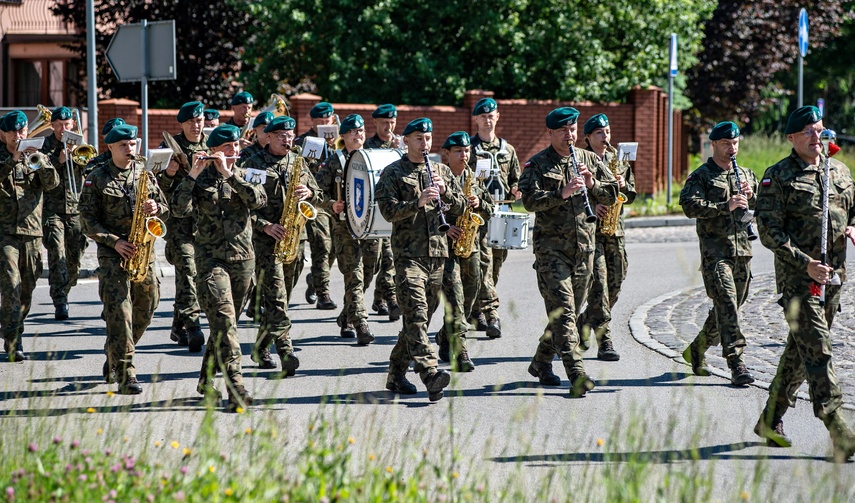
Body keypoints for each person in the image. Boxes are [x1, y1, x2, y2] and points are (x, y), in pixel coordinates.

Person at [753, 106, 855, 462]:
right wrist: (804, 263)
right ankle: (838, 428)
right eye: (809, 132)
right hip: (799, 281)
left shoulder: (838, 170)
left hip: (834, 278)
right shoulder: (778, 176)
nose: (817, 137)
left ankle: (770, 419)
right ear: (791, 139)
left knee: (802, 352)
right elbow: (768, 230)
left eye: (820, 130)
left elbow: (852, 207)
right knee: (820, 350)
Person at [518, 107, 617, 397]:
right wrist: (560, 194)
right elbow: (529, 200)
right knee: (564, 312)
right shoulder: (537, 164)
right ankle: (577, 373)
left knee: (566, 315)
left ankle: (541, 362)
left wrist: (592, 184)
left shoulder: (588, 159)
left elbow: (612, 192)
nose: (569, 135)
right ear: (550, 133)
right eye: (563, 130)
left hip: (584, 250)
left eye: (572, 129)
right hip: (552, 253)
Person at [171, 124, 267, 411]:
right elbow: (177, 208)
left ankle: (205, 379)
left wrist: (230, 174)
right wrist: (193, 174)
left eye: (236, 146)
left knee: (224, 326)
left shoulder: (246, 172)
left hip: (243, 260)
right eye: (227, 148)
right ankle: (236, 385)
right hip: (211, 261)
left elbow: (259, 200)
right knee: (225, 322)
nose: (234, 151)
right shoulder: (199, 177)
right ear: (213, 150)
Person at [375, 117, 463, 401]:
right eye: (418, 139)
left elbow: (460, 204)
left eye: (428, 139)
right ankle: (429, 373)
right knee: (416, 314)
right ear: (406, 141)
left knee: (417, 323)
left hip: (438, 255)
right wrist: (417, 202)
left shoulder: (441, 170)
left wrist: (446, 192)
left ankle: (396, 374)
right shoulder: (393, 172)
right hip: (408, 256)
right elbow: (388, 211)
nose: (425, 144)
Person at [78, 124, 168, 394]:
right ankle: (127, 372)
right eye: (123, 146)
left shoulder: (145, 174)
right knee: (120, 315)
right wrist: (114, 241)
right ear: (110, 148)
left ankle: (114, 354)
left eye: (132, 144)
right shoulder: (96, 178)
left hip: (144, 252)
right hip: (113, 256)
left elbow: (164, 207)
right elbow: (87, 221)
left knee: (148, 305)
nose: (130, 150)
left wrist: (156, 207)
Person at [679, 121, 757, 386]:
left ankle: (697, 349)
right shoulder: (702, 175)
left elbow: (762, 204)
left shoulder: (745, 173)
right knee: (726, 302)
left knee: (729, 307)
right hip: (716, 253)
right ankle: (736, 362)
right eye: (726, 143)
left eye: (735, 143)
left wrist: (752, 194)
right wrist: (725, 205)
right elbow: (689, 205)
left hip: (743, 251)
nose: (731, 148)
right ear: (713, 144)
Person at [244, 115, 319, 374]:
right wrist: (264, 224)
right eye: (282, 136)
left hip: (294, 238)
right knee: (276, 299)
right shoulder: (252, 164)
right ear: (269, 137)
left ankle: (260, 347)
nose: (288, 140)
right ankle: (286, 351)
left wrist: (309, 193)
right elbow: (242, 206)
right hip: (266, 241)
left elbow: (318, 194)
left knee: (281, 299)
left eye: (290, 136)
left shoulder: (297, 160)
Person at [576, 113, 637, 361]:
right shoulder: (580, 159)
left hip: (616, 232)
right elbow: (574, 193)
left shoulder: (617, 159)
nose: (606, 137)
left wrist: (623, 185)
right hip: (593, 232)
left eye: (608, 132)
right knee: (599, 285)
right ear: (588, 138)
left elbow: (632, 194)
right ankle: (605, 340)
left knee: (616, 283)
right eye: (600, 133)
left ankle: (585, 319)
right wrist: (592, 204)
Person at [0, 110, 59, 361]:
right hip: (4, 233)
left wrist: (42, 161)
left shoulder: (37, 156)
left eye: (22, 131)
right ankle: (14, 342)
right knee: (11, 285)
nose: (18, 135)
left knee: (27, 287)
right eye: (13, 131)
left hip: (32, 232)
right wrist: (12, 159)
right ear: (3, 133)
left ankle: (11, 325)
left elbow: (53, 183)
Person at [316, 114, 378, 345]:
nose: (357, 134)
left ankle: (346, 315)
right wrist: (331, 204)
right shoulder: (334, 161)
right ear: (343, 136)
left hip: (371, 227)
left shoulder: (372, 157)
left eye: (360, 130)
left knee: (370, 271)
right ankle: (360, 322)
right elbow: (317, 192)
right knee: (354, 274)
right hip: (344, 227)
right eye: (352, 131)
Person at [436, 131, 494, 372]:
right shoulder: (437, 176)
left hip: (471, 248)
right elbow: (428, 211)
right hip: (445, 249)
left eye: (467, 151)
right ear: (446, 154)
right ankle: (461, 353)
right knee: (456, 302)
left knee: (470, 301)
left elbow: (490, 207)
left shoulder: (475, 178)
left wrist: (481, 204)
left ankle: (443, 335)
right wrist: (445, 227)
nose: (464, 155)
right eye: (458, 151)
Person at [157, 101, 208, 351]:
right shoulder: (168, 147)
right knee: (187, 270)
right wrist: (168, 174)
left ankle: (178, 325)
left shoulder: (210, 145)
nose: (196, 126)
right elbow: (156, 190)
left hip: (206, 223)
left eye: (199, 121)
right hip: (179, 223)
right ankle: (193, 326)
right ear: (182, 124)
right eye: (191, 122)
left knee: (196, 276)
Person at [469, 97, 521, 339]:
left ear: (497, 117)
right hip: (479, 217)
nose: (488, 119)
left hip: (503, 214)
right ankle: (492, 315)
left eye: (492, 115)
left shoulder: (507, 150)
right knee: (484, 265)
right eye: (483, 116)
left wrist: (517, 189)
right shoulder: (468, 148)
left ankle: (476, 309)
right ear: (476, 119)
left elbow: (515, 178)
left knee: (496, 266)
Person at [40, 106, 89, 320]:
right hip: (53, 210)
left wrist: (80, 159)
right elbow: (41, 175)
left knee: (74, 259)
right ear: (53, 125)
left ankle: (65, 289)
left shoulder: (81, 145)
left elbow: (90, 173)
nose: (62, 129)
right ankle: (59, 301)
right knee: (57, 255)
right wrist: (58, 161)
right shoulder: (45, 146)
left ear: (73, 126)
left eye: (67, 125)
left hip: (76, 210)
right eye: (59, 125)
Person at [295, 101, 338, 310]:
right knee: (322, 244)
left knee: (334, 249)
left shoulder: (339, 141)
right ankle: (324, 294)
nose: (324, 124)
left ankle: (315, 279)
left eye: (327, 121)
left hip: (336, 201)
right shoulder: (305, 143)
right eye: (320, 122)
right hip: (315, 201)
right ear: (312, 122)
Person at [363, 103, 401, 321]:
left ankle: (391, 299)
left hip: (392, 210)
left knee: (390, 258)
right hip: (371, 212)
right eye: (385, 122)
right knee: (372, 263)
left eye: (392, 122)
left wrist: (401, 151)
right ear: (375, 122)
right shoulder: (367, 146)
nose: (389, 126)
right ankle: (378, 298)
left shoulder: (400, 147)